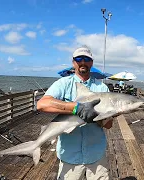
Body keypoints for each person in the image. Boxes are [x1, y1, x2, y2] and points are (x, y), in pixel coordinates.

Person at [37, 46, 112, 180]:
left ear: (91, 62)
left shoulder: (102, 87)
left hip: (96, 155)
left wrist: (99, 117)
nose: (83, 62)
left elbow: (109, 125)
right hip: (69, 155)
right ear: (73, 62)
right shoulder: (63, 84)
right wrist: (76, 108)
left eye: (87, 59)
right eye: (79, 59)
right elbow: (42, 104)